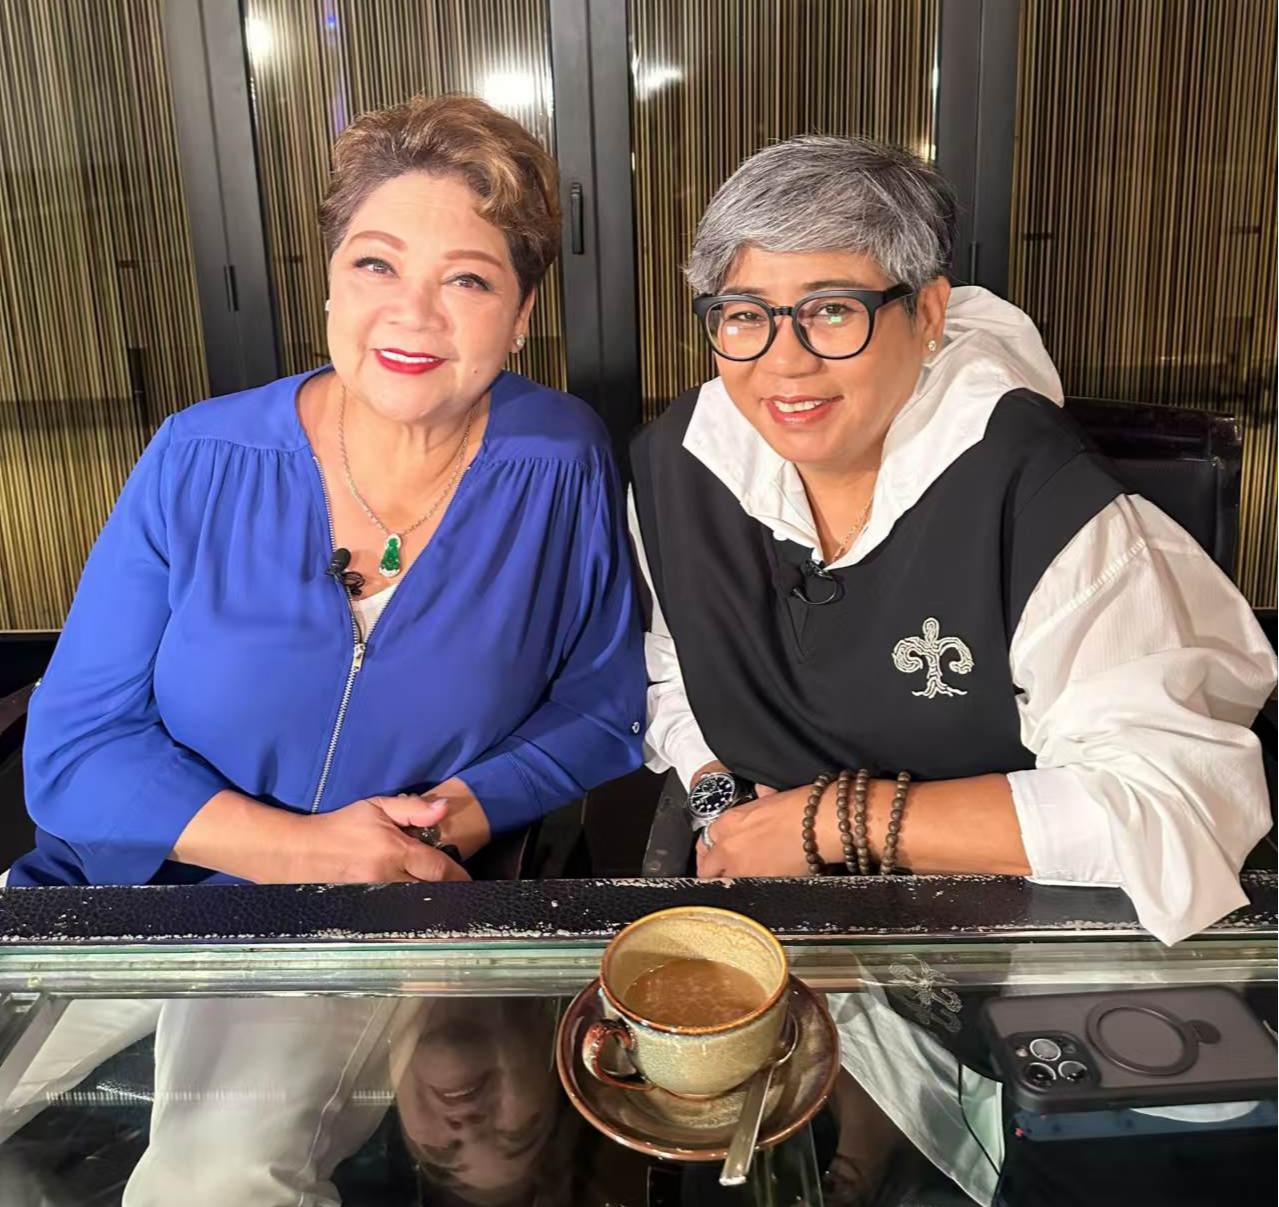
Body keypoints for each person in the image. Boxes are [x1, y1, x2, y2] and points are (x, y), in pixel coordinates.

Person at [0, 93, 645, 1207]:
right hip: (109, 893)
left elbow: (603, 705)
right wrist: (302, 845)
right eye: (376, 264)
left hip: (343, 927)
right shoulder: (199, 455)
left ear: (521, 314)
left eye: (468, 279)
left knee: (208, 1185)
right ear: (332, 283)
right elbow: (71, 750)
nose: (413, 313)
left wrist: (460, 811)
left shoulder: (557, 461)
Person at [629, 133, 1277, 1204]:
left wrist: (825, 823)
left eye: (831, 310)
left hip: (1053, 960)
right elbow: (675, 670)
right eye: (744, 314)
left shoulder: (1033, 492)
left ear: (926, 313)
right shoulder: (676, 468)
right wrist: (719, 800)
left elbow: (1170, 805)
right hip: (824, 956)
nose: (783, 362)